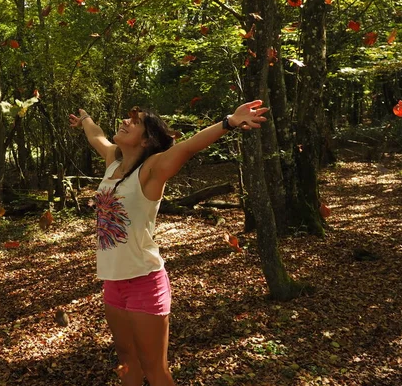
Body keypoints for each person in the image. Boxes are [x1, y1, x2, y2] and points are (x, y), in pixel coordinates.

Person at [69, 101, 268, 386]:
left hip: (144, 281)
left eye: (134, 122)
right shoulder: (113, 160)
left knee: (154, 368)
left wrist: (230, 122)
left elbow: (186, 148)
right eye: (127, 118)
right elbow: (96, 135)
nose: (125, 122)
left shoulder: (151, 170)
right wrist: (85, 118)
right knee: (126, 360)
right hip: (112, 282)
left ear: (147, 139)